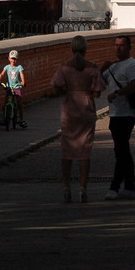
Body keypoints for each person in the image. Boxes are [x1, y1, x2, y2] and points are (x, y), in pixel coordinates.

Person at [49, 36, 100, 203]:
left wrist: (67, 93)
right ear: (86, 49)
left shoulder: (64, 68)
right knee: (85, 150)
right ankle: (82, 188)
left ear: (71, 49)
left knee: (68, 148)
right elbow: (97, 92)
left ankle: (66, 187)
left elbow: (55, 88)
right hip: (86, 109)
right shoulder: (92, 67)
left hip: (69, 108)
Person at [101, 34, 135, 196]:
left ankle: (114, 187)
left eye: (121, 45)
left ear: (129, 48)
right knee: (122, 150)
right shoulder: (113, 67)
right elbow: (99, 85)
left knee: (121, 150)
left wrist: (117, 93)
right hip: (114, 114)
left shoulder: (132, 65)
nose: (118, 48)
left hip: (126, 114)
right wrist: (101, 69)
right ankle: (129, 186)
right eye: (116, 45)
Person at [0, 47, 26, 132]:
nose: (13, 60)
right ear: (9, 59)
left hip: (17, 86)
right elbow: (2, 73)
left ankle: (22, 119)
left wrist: (23, 82)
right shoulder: (7, 67)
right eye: (12, 58)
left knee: (19, 102)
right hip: (9, 86)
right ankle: (4, 118)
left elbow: (22, 74)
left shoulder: (19, 67)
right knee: (6, 102)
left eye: (15, 59)